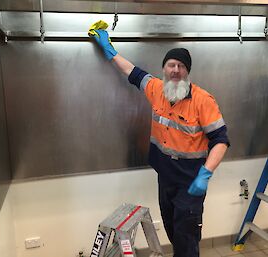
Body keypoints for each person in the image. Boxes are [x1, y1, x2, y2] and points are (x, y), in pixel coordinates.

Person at [90, 27, 230, 257]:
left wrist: (206, 174)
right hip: (165, 179)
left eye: (181, 66)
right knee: (172, 231)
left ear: (187, 72)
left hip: (190, 184)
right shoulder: (156, 88)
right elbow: (132, 72)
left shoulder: (203, 101)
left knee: (187, 238)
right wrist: (110, 51)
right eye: (171, 65)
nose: (176, 70)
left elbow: (221, 140)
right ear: (164, 69)